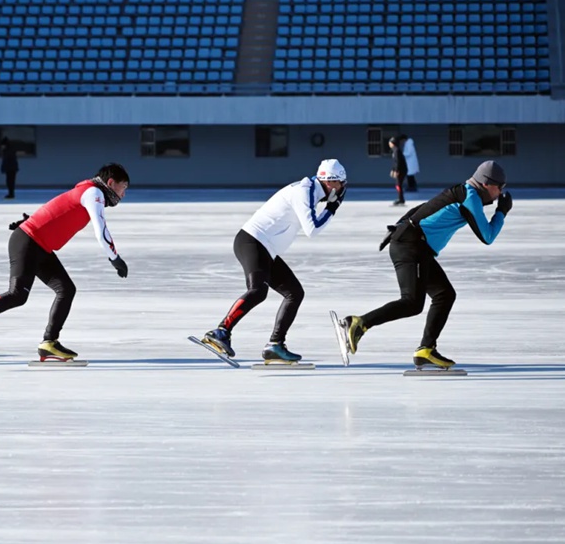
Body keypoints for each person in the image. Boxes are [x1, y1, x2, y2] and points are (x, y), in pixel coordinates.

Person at [340, 161, 512, 369]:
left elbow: (423, 207)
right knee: (412, 302)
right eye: (500, 187)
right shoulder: (470, 197)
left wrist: (398, 225)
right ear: (486, 184)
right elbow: (487, 236)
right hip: (412, 245)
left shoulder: (463, 191)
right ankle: (359, 323)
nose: (500, 192)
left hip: (415, 245)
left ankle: (426, 350)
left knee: (444, 294)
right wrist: (502, 212)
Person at [0, 163, 130, 361]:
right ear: (111, 183)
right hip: (29, 241)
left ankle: (49, 343)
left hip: (39, 245)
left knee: (66, 289)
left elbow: (58, 209)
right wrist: (115, 258)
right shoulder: (93, 192)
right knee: (18, 294)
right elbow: (100, 227)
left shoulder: (88, 191)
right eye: (123, 188)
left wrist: (33, 220)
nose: (123, 194)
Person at [201, 159, 348, 363]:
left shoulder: (312, 192)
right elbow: (312, 229)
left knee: (294, 293)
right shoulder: (304, 192)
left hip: (265, 248)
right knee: (258, 291)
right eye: (341, 184)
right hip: (252, 241)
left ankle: (275, 345)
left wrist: (329, 206)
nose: (342, 189)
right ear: (331, 182)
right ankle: (220, 332)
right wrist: (332, 208)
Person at [389, 136, 408, 206]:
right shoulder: (395, 150)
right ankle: (400, 199)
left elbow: (398, 162)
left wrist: (396, 171)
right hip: (400, 169)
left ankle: (401, 199)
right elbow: (395, 162)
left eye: (390, 143)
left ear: (392, 143)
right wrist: (393, 170)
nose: (389, 144)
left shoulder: (396, 150)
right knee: (398, 184)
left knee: (398, 185)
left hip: (401, 170)